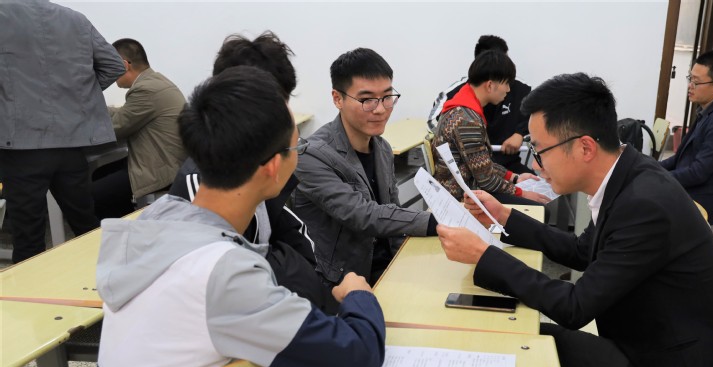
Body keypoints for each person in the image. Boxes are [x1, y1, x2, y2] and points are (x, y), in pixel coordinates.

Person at [91, 66, 386, 367]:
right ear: (272, 166)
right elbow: (358, 353)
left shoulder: (160, 220)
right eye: (295, 149)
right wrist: (359, 296)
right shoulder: (221, 271)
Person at [436, 73, 713, 367]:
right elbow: (583, 251)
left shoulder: (644, 204)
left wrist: (485, 254)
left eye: (541, 150)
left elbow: (575, 307)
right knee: (519, 345)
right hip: (651, 348)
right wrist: (505, 216)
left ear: (585, 147)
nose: (536, 165)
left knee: (521, 351)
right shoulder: (628, 175)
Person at [168, 32, 334, 312]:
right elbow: (238, 288)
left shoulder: (259, 166)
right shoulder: (204, 186)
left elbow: (295, 244)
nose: (285, 116)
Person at [293, 48, 436, 285]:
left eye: (387, 97)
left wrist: (405, 264)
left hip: (387, 267)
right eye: (367, 100)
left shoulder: (382, 148)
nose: (380, 109)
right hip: (342, 281)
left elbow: (392, 210)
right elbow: (362, 214)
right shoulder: (311, 155)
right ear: (338, 99)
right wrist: (432, 222)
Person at [0, 0, 124, 263]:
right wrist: (79, 99)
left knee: (28, 238)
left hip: (21, 145)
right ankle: (103, 281)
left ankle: (33, 290)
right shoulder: (76, 19)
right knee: (85, 224)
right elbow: (115, 65)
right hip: (71, 143)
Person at [431, 50, 548, 206]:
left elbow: (481, 164)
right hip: (462, 198)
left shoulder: (463, 109)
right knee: (540, 207)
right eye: (506, 83)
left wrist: (514, 177)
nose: (508, 89)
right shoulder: (467, 121)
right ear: (490, 85)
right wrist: (522, 193)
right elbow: (486, 180)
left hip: (470, 189)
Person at [93, 38, 187, 219]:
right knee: (99, 173)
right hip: (167, 160)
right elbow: (125, 113)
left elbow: (115, 129)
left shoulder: (145, 90)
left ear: (124, 65)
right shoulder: (155, 81)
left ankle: (119, 231)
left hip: (162, 170)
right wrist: (94, 108)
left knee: (93, 196)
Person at [661, 49, 713, 224]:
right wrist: (648, 168)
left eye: (696, 82)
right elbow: (678, 159)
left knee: (636, 201)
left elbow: (698, 173)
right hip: (692, 190)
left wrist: (656, 178)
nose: (690, 86)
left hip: (704, 199)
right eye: (690, 78)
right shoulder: (709, 111)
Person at [428, 35, 533, 173]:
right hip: (471, 169)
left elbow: (537, 117)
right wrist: (467, 142)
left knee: (538, 184)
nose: (508, 89)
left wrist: (520, 134)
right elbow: (433, 121)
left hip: (508, 164)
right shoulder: (458, 95)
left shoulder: (519, 88)